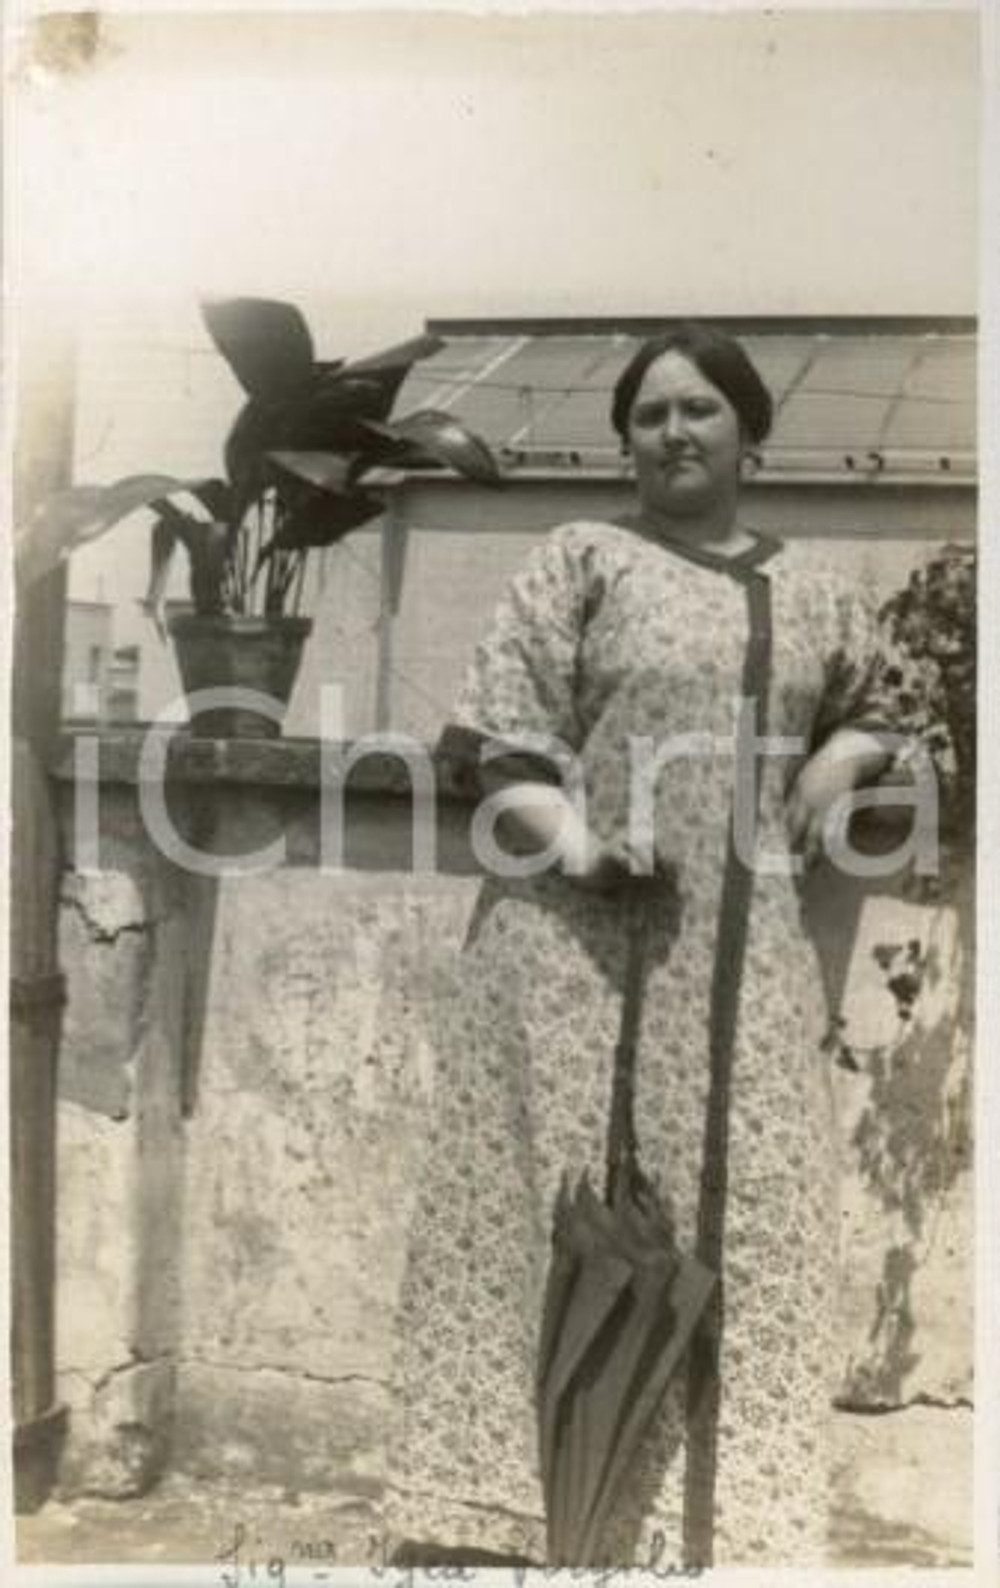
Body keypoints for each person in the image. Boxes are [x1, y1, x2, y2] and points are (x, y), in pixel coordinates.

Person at [384, 324, 945, 1567]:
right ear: (625, 439)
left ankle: (710, 1536)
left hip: (742, 985)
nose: (675, 433)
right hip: (572, 964)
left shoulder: (812, 588)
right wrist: (578, 842)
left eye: (700, 410)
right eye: (650, 415)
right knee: (565, 1231)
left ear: (749, 431)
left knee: (747, 1237)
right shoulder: (579, 559)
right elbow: (497, 744)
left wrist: (846, 756)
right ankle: (532, 1525)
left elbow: (892, 706)